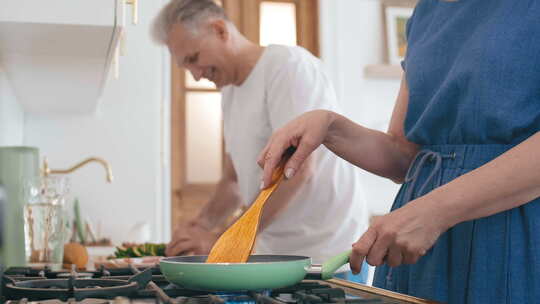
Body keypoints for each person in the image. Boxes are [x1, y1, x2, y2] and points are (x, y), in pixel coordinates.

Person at [257, 0, 540, 303]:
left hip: (512, 233)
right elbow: (404, 155)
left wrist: (436, 210)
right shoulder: (425, 13)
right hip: (419, 247)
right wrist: (330, 127)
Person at [151, 0, 370, 282]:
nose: (195, 74)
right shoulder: (230, 92)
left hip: (328, 255)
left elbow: (299, 169)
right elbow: (232, 180)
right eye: (185, 66)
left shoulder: (287, 67)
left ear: (219, 30)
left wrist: (222, 239)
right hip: (277, 257)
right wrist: (200, 224)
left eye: (193, 58)